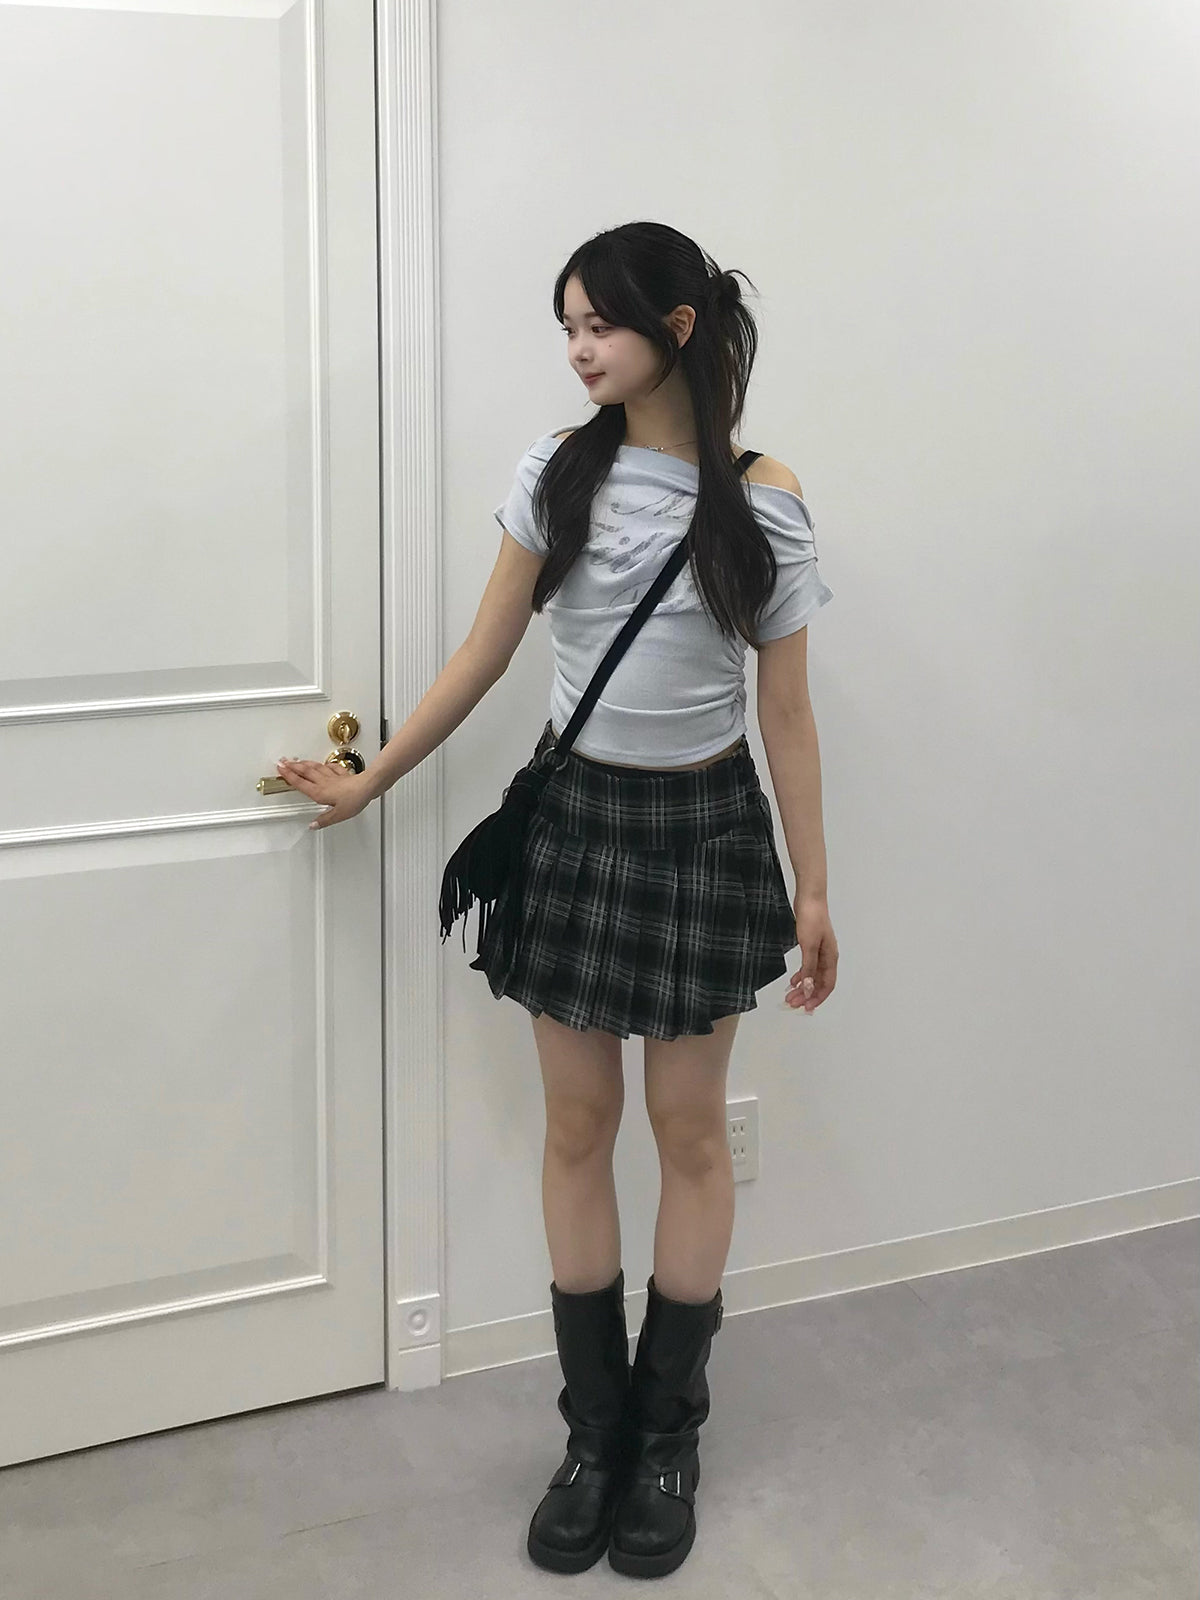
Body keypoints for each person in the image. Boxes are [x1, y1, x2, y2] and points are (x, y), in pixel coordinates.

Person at [272, 221, 839, 1579]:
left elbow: (787, 710)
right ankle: (593, 1436)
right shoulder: (559, 475)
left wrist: (817, 890)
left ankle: (667, 1438)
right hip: (578, 822)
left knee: (689, 1133)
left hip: (704, 831)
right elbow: (484, 652)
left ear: (679, 330)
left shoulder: (762, 496)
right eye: (567, 327)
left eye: (600, 324)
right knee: (578, 1127)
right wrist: (372, 780)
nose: (579, 349)